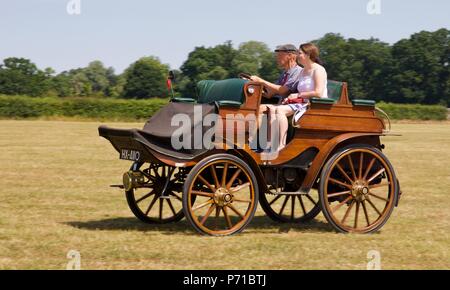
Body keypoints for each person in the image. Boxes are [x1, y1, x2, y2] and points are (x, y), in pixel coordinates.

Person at [252, 43, 328, 151]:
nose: (297, 55)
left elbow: (319, 93)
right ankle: (268, 145)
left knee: (279, 110)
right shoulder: (303, 71)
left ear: (308, 54)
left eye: (300, 53)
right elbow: (276, 91)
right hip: (301, 102)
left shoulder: (318, 70)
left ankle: (281, 146)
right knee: (273, 109)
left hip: (314, 105)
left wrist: (297, 95)